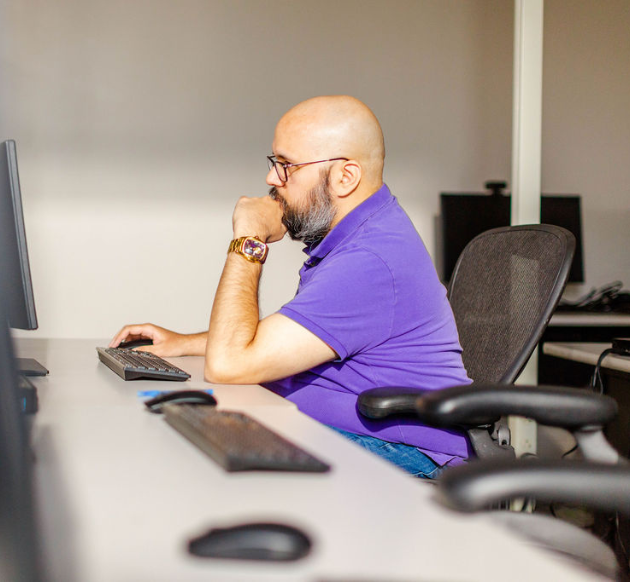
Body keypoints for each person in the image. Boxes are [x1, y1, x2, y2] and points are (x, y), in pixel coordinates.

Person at [110, 95, 471, 478]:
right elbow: (280, 341)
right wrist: (183, 343)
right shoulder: (358, 237)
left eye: (287, 166)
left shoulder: (370, 260)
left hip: (406, 452)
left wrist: (249, 237)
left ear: (345, 177)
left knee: (185, 458)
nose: (272, 179)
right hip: (362, 433)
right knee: (183, 434)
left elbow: (228, 365)